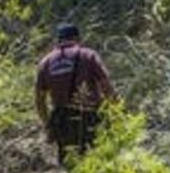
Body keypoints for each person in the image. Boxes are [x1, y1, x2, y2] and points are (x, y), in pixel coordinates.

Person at [35, 22, 117, 165]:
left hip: (62, 121)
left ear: (58, 40)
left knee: (72, 164)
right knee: (99, 161)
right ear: (77, 38)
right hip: (90, 117)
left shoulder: (46, 62)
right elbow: (106, 87)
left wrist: (48, 125)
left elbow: (39, 100)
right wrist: (116, 111)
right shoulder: (88, 55)